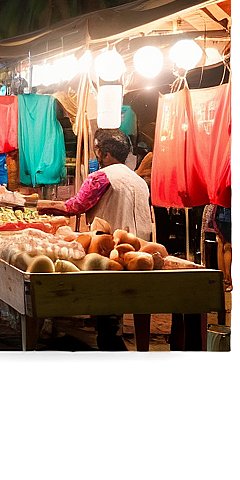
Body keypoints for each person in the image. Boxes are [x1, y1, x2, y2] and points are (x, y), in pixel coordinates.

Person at [37, 128, 154, 351]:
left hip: (111, 247)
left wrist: (42, 206)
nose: (97, 155)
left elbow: (75, 206)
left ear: (107, 154)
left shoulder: (101, 177)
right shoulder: (137, 179)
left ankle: (108, 335)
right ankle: (119, 334)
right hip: (143, 247)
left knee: (107, 293)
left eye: (98, 151)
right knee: (132, 294)